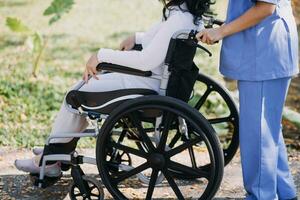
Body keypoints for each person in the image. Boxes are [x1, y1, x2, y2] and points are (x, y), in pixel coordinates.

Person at [14, 0, 213, 177]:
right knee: (85, 87)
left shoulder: (177, 18)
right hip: (157, 82)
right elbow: (162, 40)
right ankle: (56, 149)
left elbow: (146, 60)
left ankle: (51, 160)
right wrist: (137, 37)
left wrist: (101, 56)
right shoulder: (188, 15)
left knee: (75, 95)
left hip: (146, 84)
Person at [197, 0, 298, 200]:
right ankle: (283, 192)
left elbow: (265, 8)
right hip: (267, 49)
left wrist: (222, 31)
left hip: (264, 52)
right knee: (267, 129)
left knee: (258, 132)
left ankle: (261, 196)